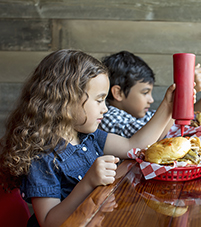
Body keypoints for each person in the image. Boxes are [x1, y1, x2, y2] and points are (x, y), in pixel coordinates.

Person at [0, 49, 177, 227]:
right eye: (99, 100)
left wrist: (168, 105)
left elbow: (135, 146)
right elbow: (48, 221)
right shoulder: (42, 156)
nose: (105, 109)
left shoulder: (89, 136)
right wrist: (88, 183)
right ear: (66, 101)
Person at [100, 51, 201, 139]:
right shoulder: (109, 119)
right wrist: (184, 89)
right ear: (118, 93)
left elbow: (175, 121)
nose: (151, 100)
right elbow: (153, 139)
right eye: (145, 92)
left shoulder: (142, 116)